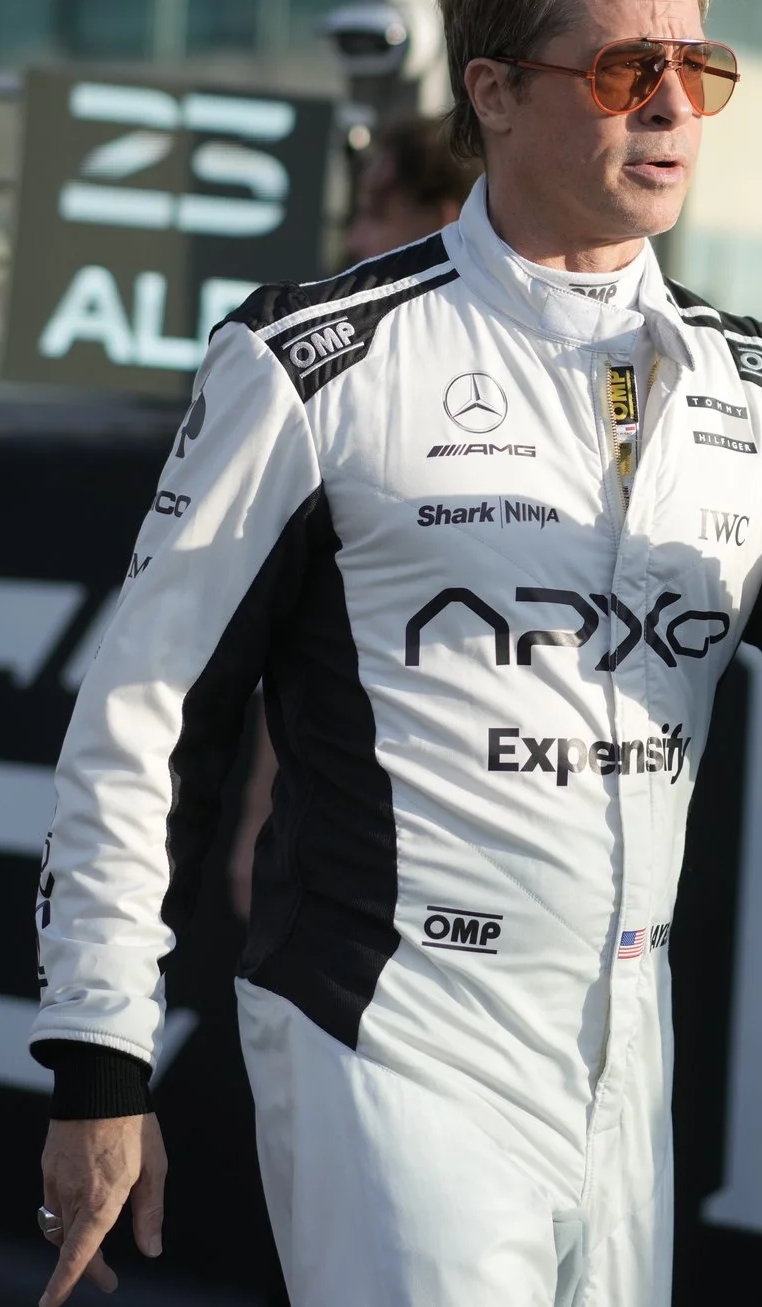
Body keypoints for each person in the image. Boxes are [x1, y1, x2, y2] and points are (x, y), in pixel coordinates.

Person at [27, 0, 762, 1307]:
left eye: (698, 69)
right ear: (493, 91)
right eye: (624, 66)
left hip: (624, 1034)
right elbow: (143, 716)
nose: (671, 105)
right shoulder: (312, 360)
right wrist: (101, 1054)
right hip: (389, 1021)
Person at [227, 113, 476, 920]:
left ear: (445, 215)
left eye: (374, 209)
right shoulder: (330, 377)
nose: (352, 238)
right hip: (355, 899)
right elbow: (306, 639)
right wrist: (261, 812)